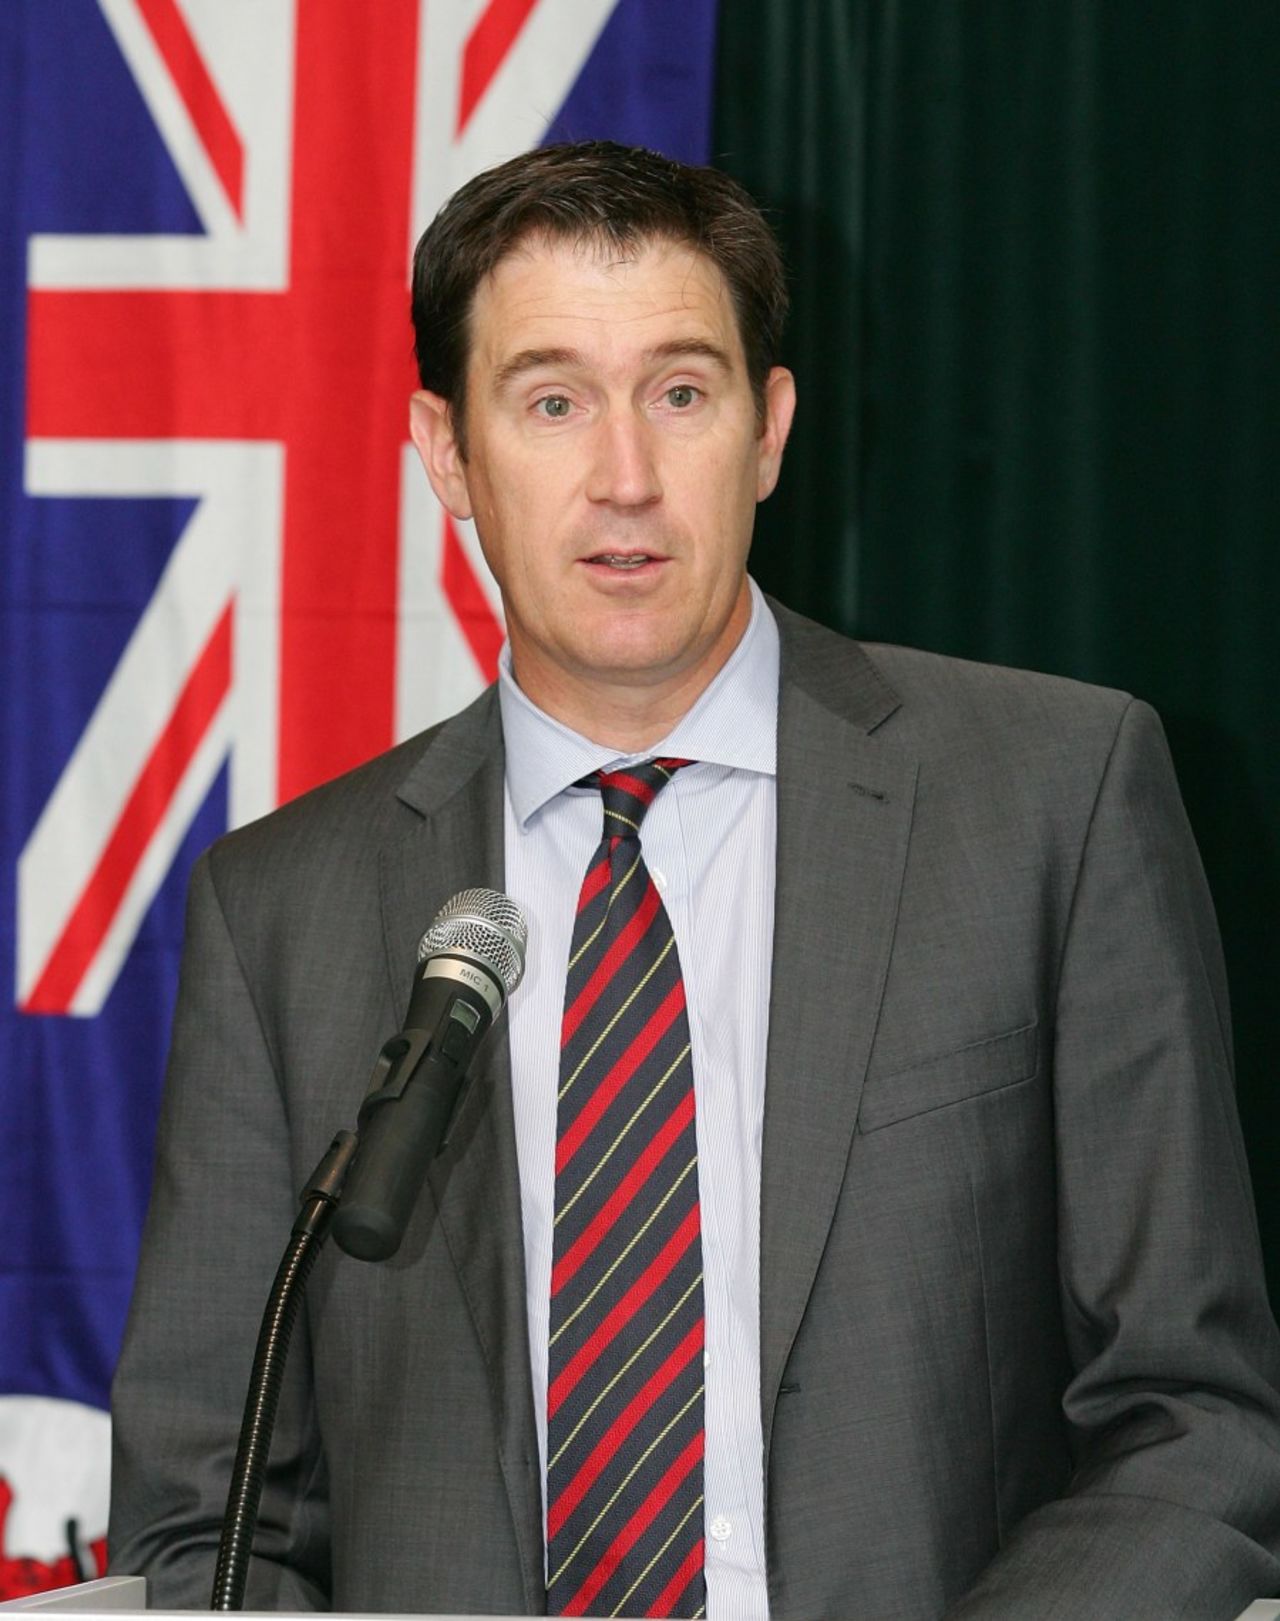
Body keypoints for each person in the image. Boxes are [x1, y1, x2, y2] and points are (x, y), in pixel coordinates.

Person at [108, 141, 1280, 1619]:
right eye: (551, 402)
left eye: (681, 392)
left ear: (770, 428)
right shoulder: (281, 909)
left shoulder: (1054, 797)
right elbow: (206, 1520)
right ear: (446, 454)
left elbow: (1196, 1416)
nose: (626, 478)